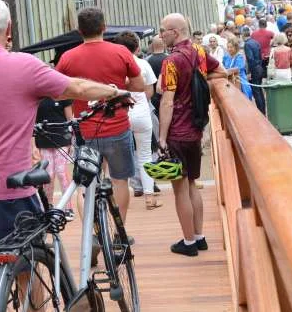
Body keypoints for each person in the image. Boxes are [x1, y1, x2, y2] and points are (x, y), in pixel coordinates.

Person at [0, 0, 131, 312]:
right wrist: (114, 91)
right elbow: (76, 87)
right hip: (12, 187)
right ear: (9, 29)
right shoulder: (24, 66)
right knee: (28, 264)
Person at [56, 7, 144, 220]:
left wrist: (80, 90)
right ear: (105, 27)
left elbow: (57, 92)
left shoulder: (68, 57)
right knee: (120, 180)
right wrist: (116, 86)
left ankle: (91, 235)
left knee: (85, 184)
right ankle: (119, 236)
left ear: (79, 30)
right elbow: (139, 85)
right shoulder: (121, 52)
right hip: (117, 128)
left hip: (86, 131)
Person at [156, 13, 227, 257]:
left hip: (177, 130)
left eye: (163, 30)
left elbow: (167, 102)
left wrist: (162, 137)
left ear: (174, 33)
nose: (160, 34)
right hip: (196, 129)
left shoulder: (171, 62)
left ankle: (187, 243)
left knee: (180, 189)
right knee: (192, 184)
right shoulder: (199, 51)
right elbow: (223, 72)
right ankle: (199, 236)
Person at [110, 31, 162, 209]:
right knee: (145, 154)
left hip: (120, 113)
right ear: (137, 47)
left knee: (119, 158)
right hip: (141, 111)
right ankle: (149, 197)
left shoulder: (114, 65)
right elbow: (149, 92)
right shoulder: (143, 64)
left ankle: (120, 198)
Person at [241, 26, 266, 113]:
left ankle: (261, 111)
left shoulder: (247, 44)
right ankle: (263, 110)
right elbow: (259, 56)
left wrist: (249, 72)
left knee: (256, 91)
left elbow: (250, 59)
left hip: (254, 69)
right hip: (259, 67)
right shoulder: (255, 42)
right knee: (259, 90)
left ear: (242, 35)